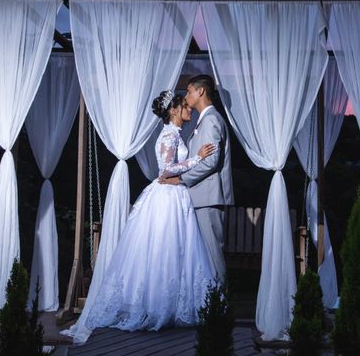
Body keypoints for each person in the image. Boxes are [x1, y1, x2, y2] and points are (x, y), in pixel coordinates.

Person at [63, 91, 217, 343]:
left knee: (175, 250)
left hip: (174, 196)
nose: (189, 109)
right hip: (167, 198)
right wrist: (195, 160)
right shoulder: (169, 135)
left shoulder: (174, 134)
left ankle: (168, 304)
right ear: (174, 111)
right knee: (163, 250)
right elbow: (166, 170)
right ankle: (157, 306)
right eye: (184, 106)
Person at [160, 75, 233, 284]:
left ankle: (218, 310)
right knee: (204, 258)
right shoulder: (204, 121)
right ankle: (209, 308)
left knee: (212, 256)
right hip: (201, 198)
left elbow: (210, 162)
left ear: (200, 91)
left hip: (208, 198)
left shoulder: (211, 120)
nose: (187, 95)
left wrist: (180, 179)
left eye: (190, 91)